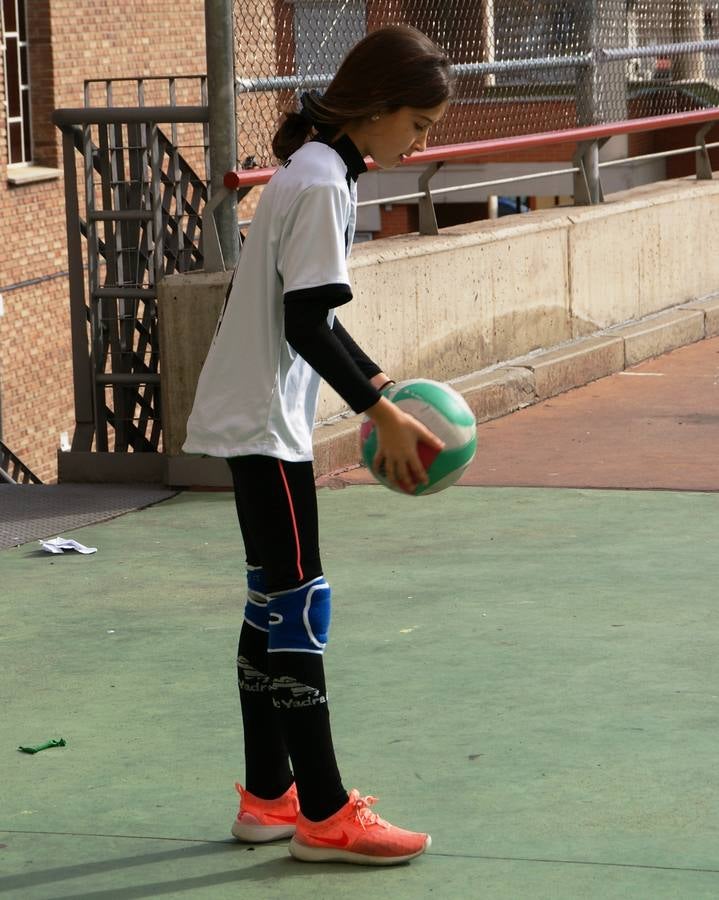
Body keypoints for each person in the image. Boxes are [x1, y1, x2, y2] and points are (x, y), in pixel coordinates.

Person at [183, 24, 453, 866]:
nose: (421, 141)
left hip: (254, 417)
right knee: (300, 603)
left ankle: (269, 798)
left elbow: (309, 315)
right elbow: (305, 323)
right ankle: (327, 815)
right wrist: (380, 410)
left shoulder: (312, 168)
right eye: (417, 123)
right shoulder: (323, 182)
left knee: (270, 600)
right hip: (266, 425)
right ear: (375, 109)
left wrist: (378, 381)